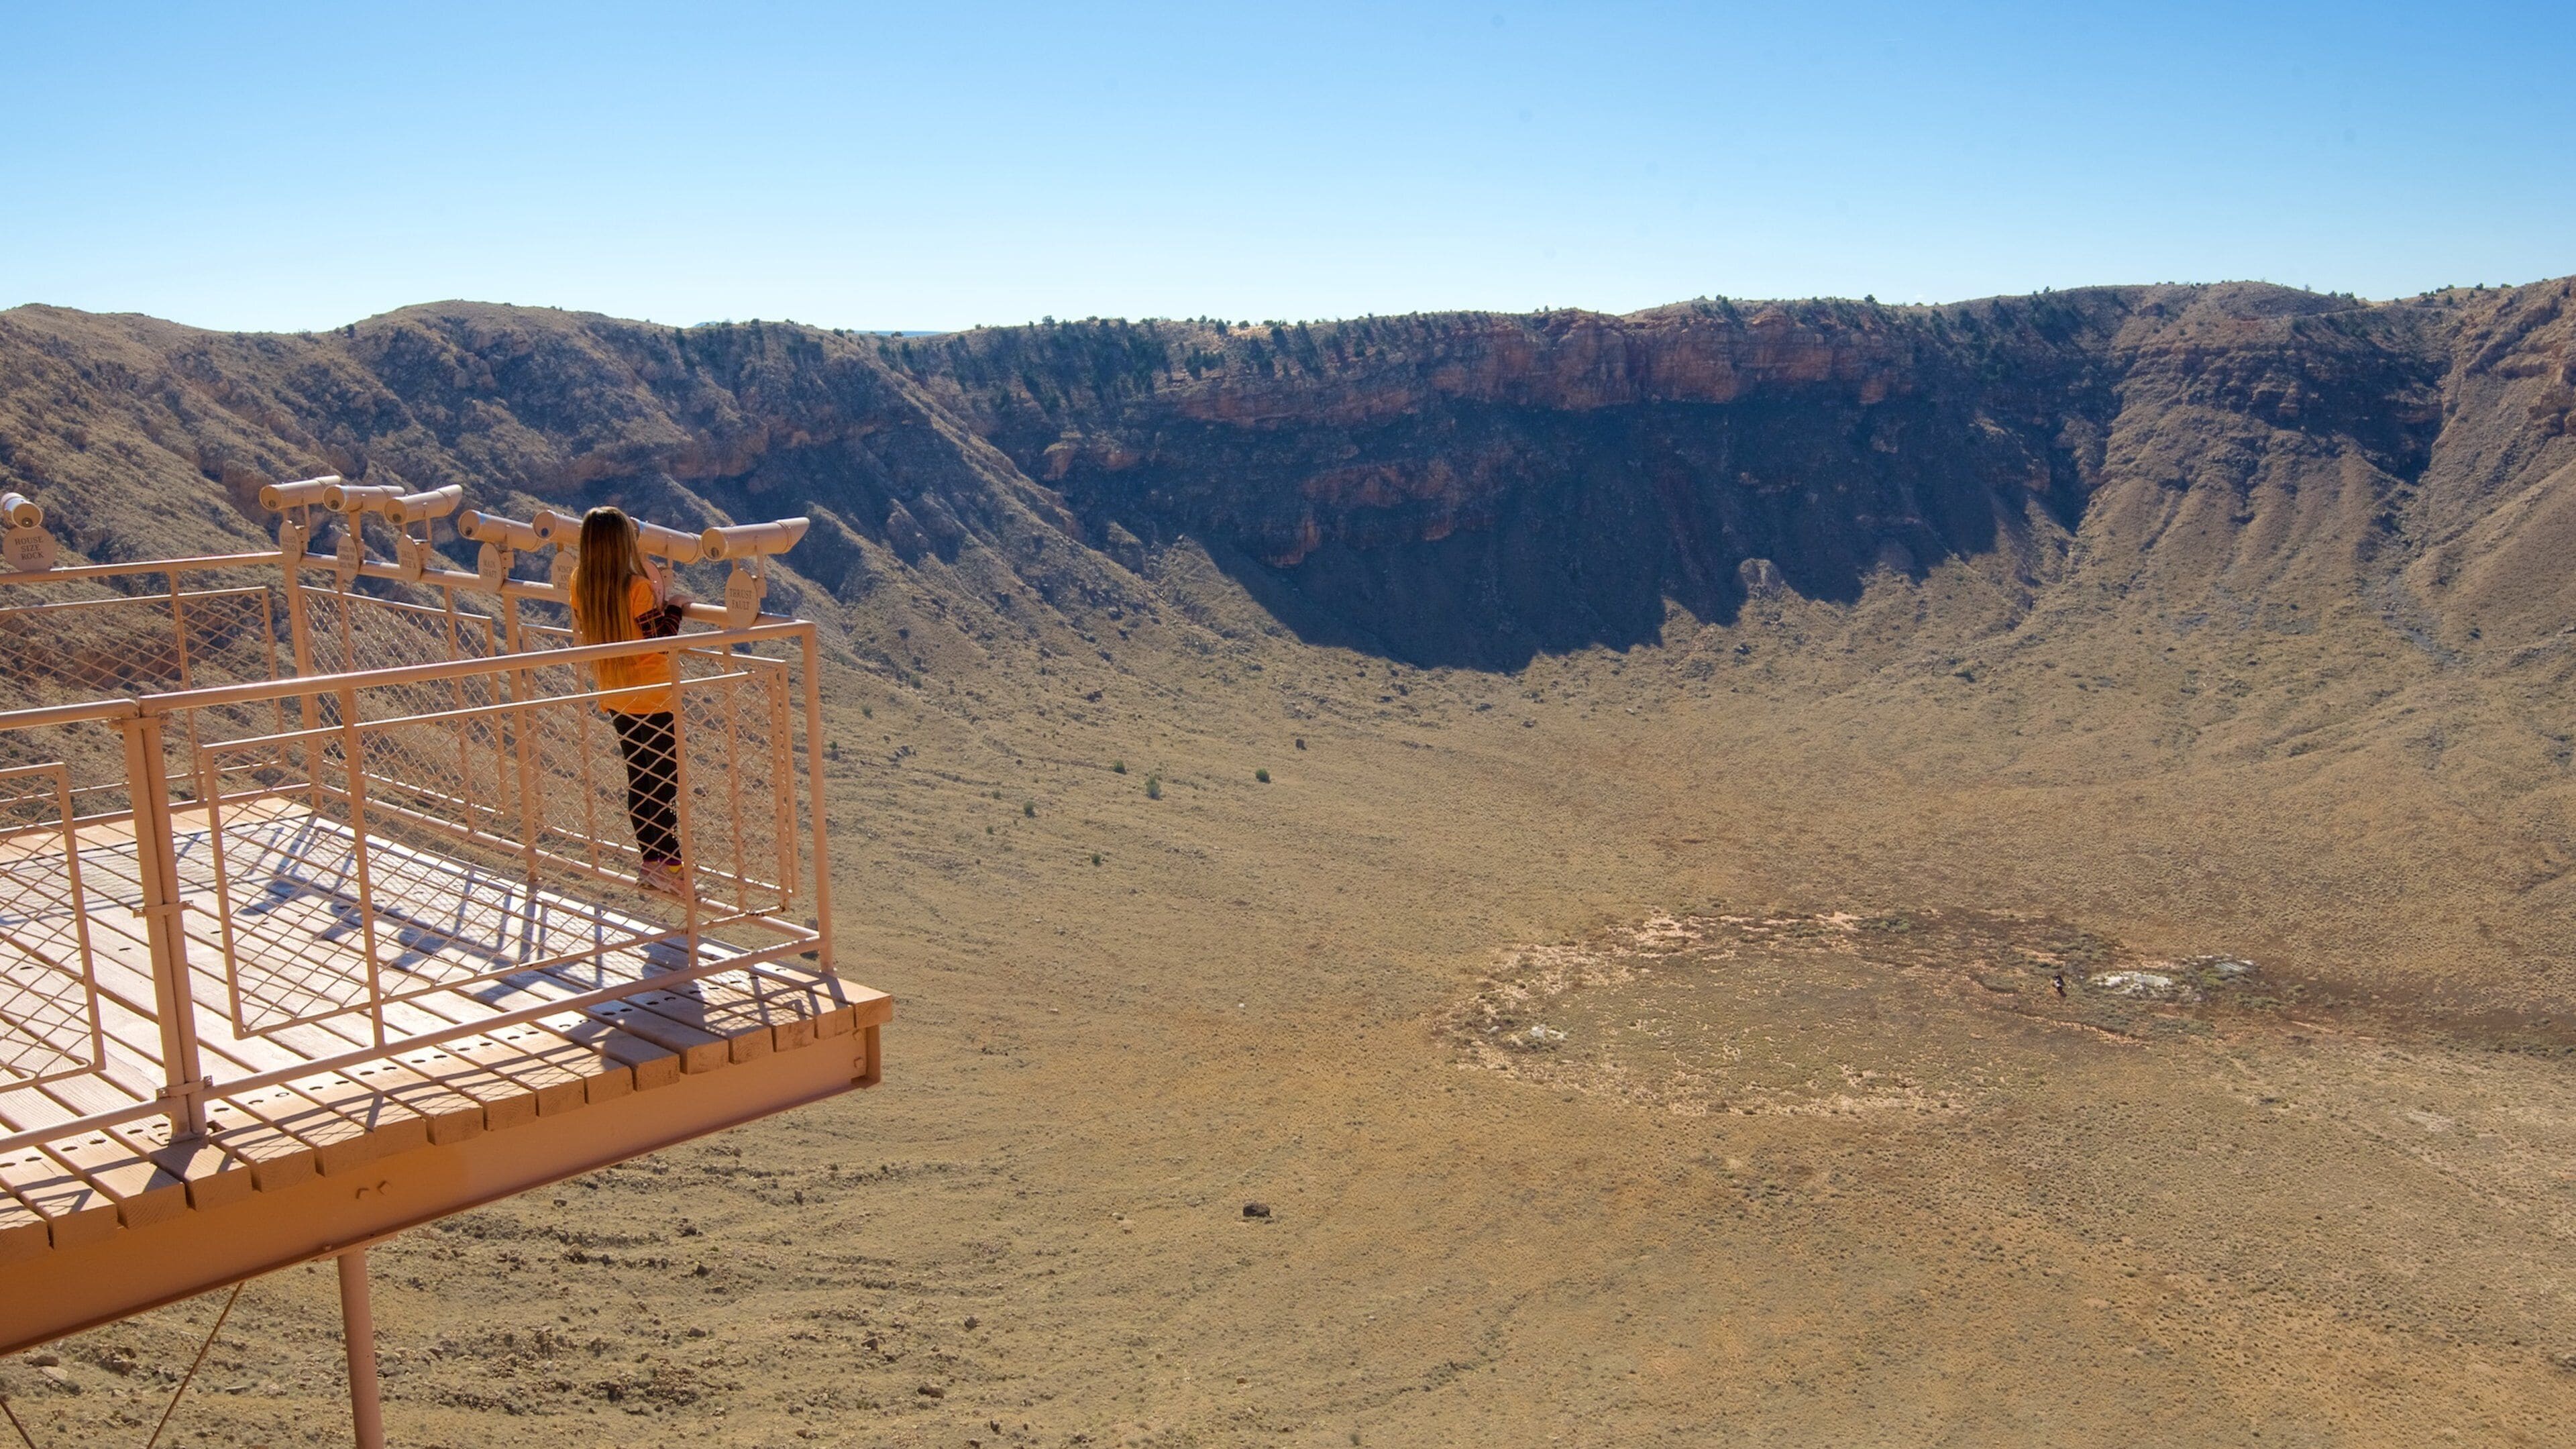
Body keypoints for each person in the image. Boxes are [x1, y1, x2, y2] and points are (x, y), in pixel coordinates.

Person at [569, 507, 692, 897]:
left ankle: (652, 862)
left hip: (617, 694)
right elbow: (660, 639)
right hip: (653, 697)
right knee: (664, 782)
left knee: (639, 779)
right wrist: (675, 606)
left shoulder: (580, 583)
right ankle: (669, 865)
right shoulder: (636, 588)